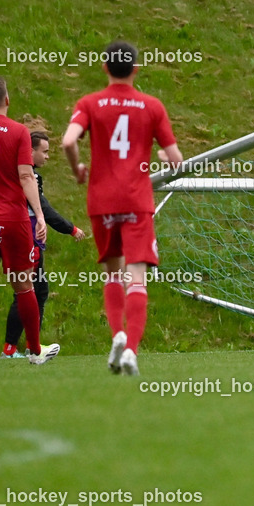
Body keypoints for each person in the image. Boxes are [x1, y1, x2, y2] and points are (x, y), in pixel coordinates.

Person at [62, 40, 184, 376]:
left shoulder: (90, 102)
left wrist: (78, 170)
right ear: (135, 69)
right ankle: (131, 349)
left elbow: (69, 140)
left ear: (105, 68)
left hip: (101, 201)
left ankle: (116, 333)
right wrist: (160, 156)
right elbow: (176, 162)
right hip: (136, 201)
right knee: (137, 279)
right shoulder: (151, 106)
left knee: (112, 273)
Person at [0, 77, 60, 367]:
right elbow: (26, 175)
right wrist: (40, 216)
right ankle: (34, 350)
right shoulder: (18, 131)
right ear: (7, 99)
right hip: (11, 218)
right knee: (24, 286)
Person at [1, 131, 88, 358]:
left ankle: (14, 348)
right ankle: (31, 348)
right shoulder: (28, 176)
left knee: (28, 290)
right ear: (30, 151)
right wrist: (71, 228)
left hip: (16, 232)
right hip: (28, 234)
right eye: (45, 151)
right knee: (33, 291)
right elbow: (44, 208)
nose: (47, 157)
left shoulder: (15, 172)